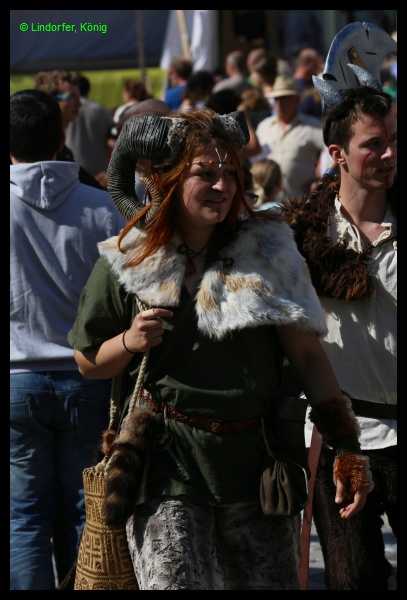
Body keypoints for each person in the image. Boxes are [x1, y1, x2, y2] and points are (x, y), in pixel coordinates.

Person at [67, 108, 372, 591]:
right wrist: (128, 341)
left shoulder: (269, 252)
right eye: (204, 173)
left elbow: (309, 357)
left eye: (230, 172)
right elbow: (87, 362)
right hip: (166, 464)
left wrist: (347, 448)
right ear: (165, 179)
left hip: (256, 466)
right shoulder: (132, 257)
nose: (221, 185)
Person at [282, 80, 397, 589]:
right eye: (374, 143)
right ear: (338, 154)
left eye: (394, 139)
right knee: (352, 581)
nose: (389, 153)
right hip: (337, 440)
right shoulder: (300, 236)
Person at [10, 89, 126, 590]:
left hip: (17, 377)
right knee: (88, 510)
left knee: (24, 515)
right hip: (89, 375)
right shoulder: (103, 207)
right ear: (62, 138)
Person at [255, 74, 326, 198]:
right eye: (276, 99)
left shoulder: (312, 126)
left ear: (296, 100)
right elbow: (254, 159)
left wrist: (321, 179)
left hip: (298, 202)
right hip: (266, 202)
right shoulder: (264, 127)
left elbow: (332, 152)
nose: (279, 103)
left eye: (284, 98)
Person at [34, 69, 104, 190]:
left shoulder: (62, 151)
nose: (79, 104)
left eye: (79, 97)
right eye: (72, 97)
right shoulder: (41, 150)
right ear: (50, 100)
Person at [65, 74, 115, 188]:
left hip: (71, 168)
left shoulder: (65, 109)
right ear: (88, 90)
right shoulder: (101, 110)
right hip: (99, 172)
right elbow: (111, 139)